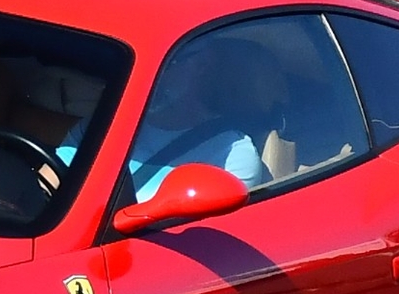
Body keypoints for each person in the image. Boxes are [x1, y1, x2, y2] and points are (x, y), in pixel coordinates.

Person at [118, 36, 280, 199]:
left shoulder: (231, 156)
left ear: (202, 65)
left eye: (169, 63)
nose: (153, 73)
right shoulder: (112, 124)